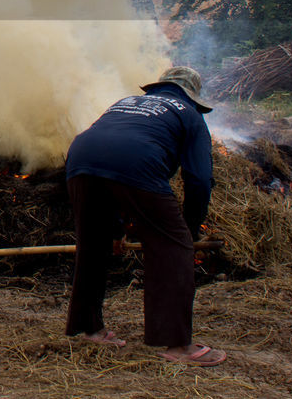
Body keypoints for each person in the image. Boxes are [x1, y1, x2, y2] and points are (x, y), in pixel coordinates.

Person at [64, 66, 226, 366]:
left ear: (159, 87)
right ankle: (177, 344)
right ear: (191, 96)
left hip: (80, 158)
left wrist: (114, 231)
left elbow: (108, 160)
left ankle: (89, 328)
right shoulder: (191, 115)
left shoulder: (124, 103)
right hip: (137, 161)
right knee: (172, 249)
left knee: (92, 245)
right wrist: (188, 231)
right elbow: (199, 180)